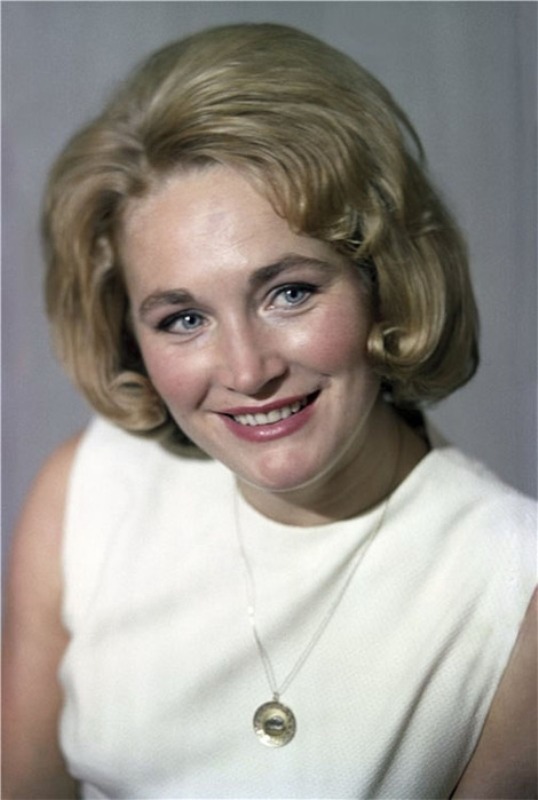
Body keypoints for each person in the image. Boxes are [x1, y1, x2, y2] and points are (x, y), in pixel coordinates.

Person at [2, 22, 536, 800]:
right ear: (131, 336)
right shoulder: (89, 489)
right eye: (184, 318)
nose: (248, 371)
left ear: (381, 278)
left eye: (290, 292)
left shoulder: (512, 586)